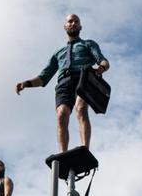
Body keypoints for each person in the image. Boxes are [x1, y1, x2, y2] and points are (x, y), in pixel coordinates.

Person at [15, 14, 110, 152]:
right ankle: (63, 153)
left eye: (76, 21)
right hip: (63, 83)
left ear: (80, 27)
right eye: (70, 21)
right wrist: (26, 83)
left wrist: (100, 69)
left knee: (80, 108)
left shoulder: (88, 44)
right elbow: (43, 77)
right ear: (65, 26)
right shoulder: (58, 53)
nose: (73, 23)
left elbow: (103, 61)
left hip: (83, 78)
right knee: (61, 114)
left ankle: (85, 149)